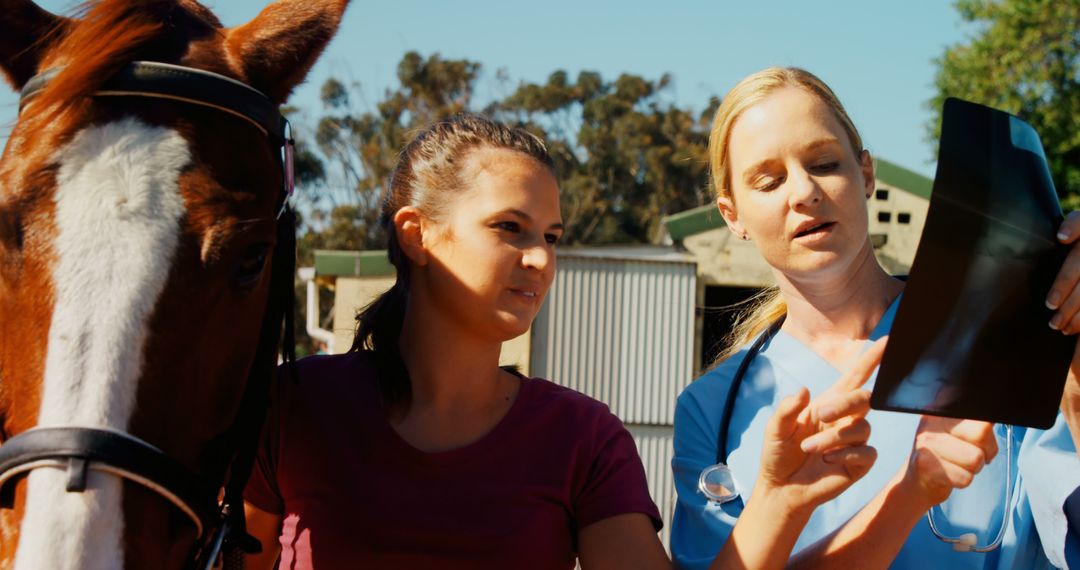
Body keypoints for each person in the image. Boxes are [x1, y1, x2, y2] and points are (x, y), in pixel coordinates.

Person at [242, 113, 882, 569]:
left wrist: (776, 500)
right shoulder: (292, 406)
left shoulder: (582, 438)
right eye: (510, 228)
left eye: (550, 237)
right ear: (416, 234)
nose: (541, 260)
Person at [671, 66, 1080, 569]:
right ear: (733, 216)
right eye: (770, 180)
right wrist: (910, 493)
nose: (803, 192)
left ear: (866, 174)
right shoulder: (710, 411)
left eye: (824, 163)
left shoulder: (998, 335)